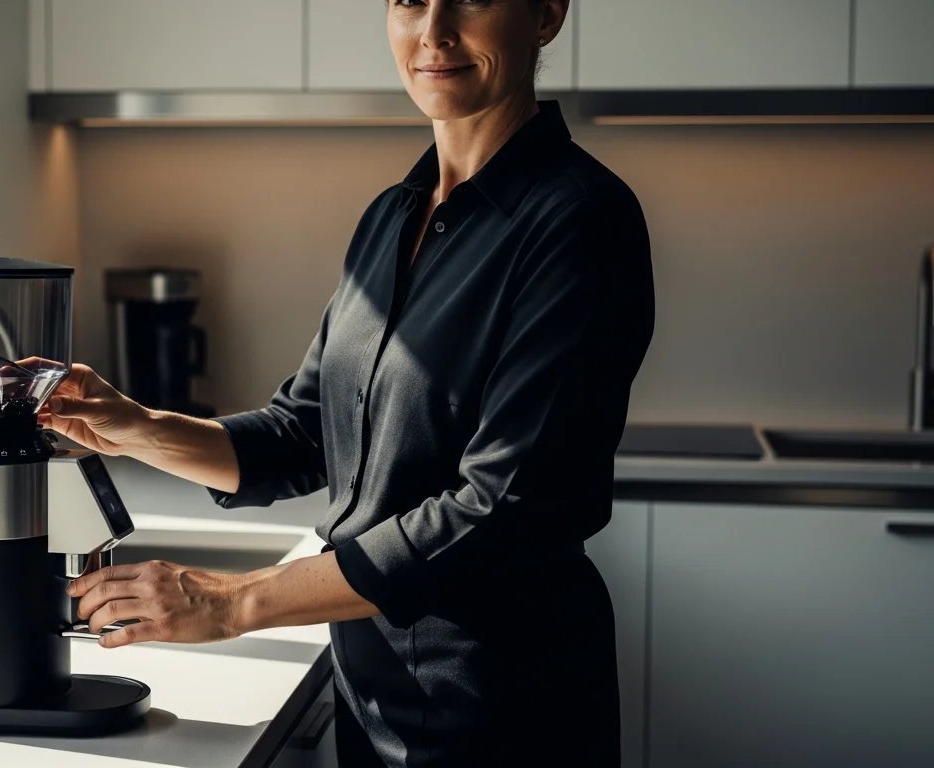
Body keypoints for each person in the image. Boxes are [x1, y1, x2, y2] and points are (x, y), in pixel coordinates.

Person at [41, 1, 653, 764]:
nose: (433, 30)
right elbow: (304, 431)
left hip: (502, 713)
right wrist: (136, 426)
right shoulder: (393, 217)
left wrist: (234, 600)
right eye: (407, 0)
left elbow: (503, 510)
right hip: (373, 702)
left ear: (547, 14)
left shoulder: (580, 218)